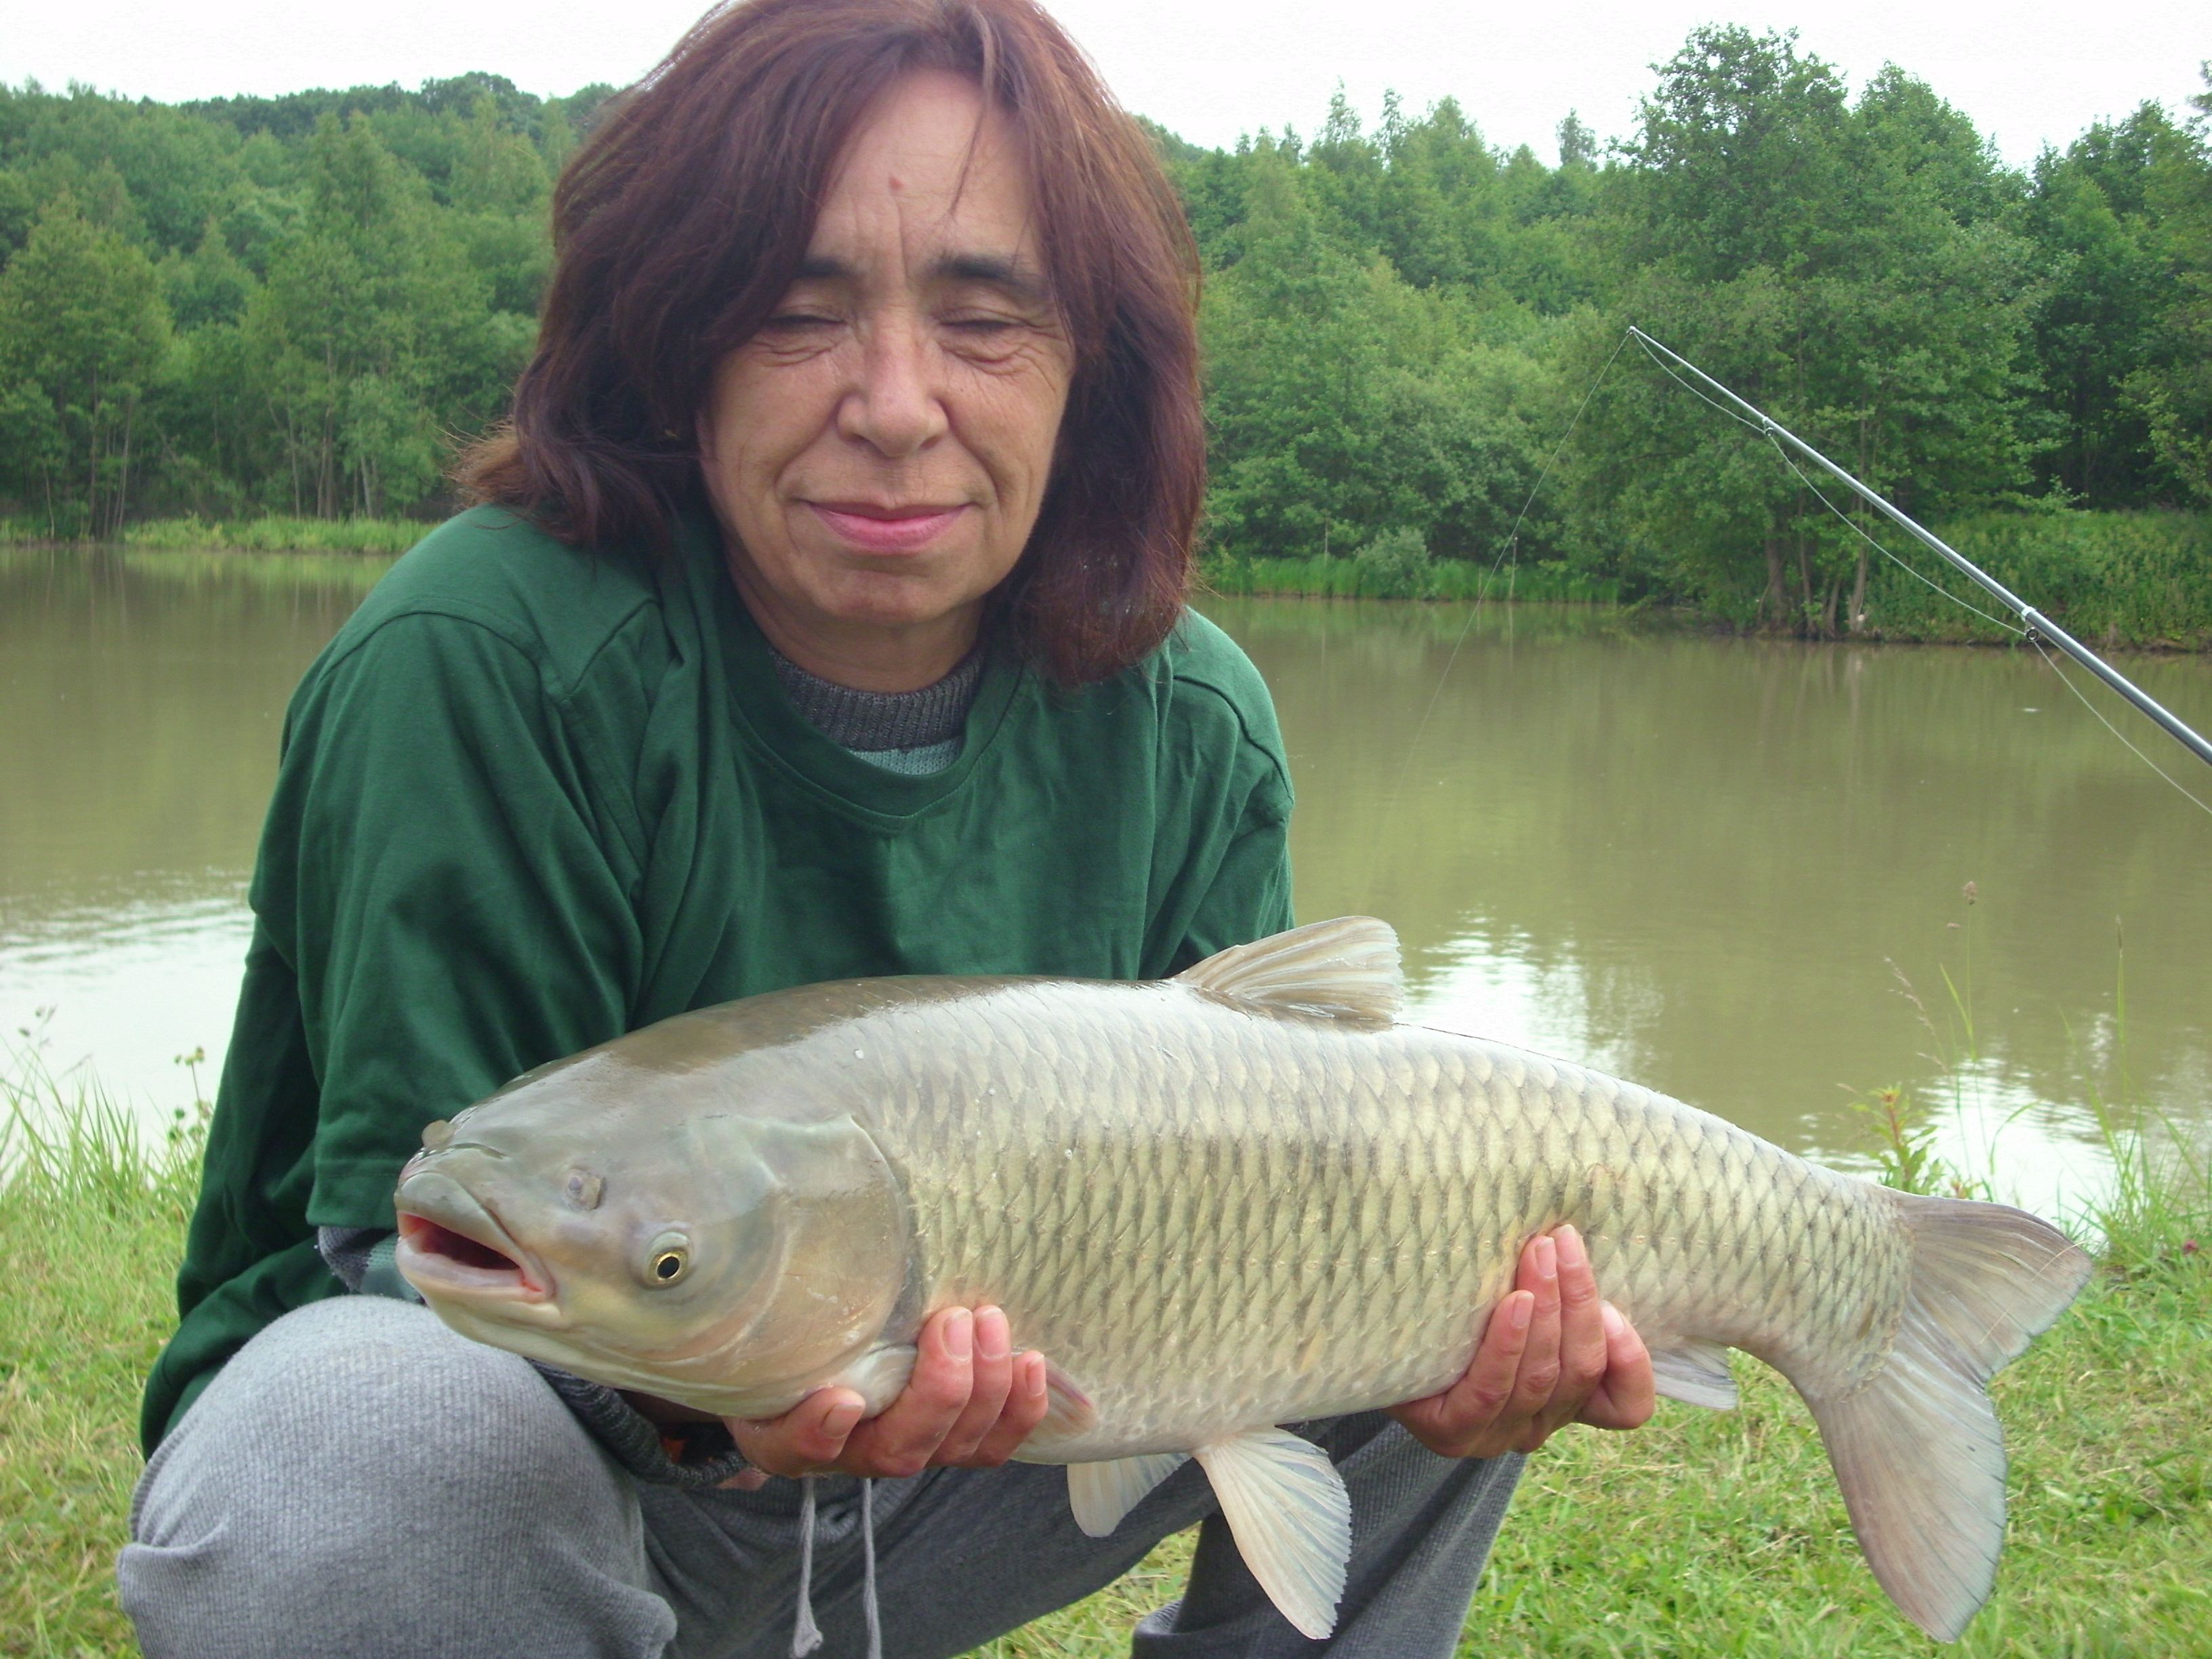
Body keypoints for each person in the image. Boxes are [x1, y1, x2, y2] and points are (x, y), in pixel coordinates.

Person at [119, 1, 1654, 1654]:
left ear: (1093, 375)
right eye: (797, 313)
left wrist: (1453, 1349)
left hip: (983, 1449)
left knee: (1453, 1268)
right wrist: (720, 1408)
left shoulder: (1191, 718)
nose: (898, 403)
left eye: (985, 322)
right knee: (364, 1444)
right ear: (672, 339)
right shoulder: (485, 657)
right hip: (563, 1483)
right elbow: (392, 1253)